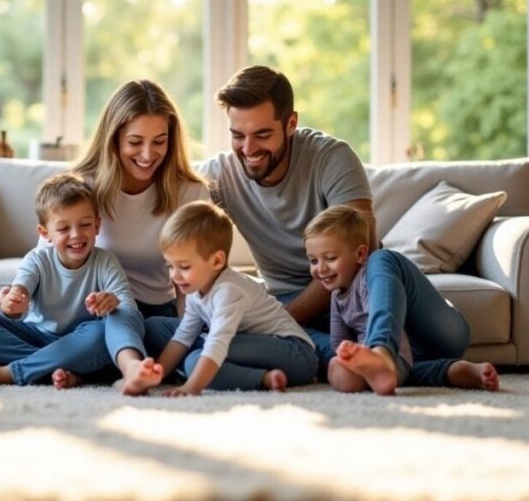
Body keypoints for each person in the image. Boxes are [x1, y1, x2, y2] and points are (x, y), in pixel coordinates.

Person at [198, 65, 375, 370]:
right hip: (283, 300)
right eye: (238, 135)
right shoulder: (219, 175)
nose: (249, 149)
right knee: (209, 338)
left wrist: (280, 321)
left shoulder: (331, 157)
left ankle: (345, 355)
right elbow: (173, 227)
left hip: (352, 291)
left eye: (262, 134)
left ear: (291, 123)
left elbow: (361, 248)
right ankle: (348, 360)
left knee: (452, 337)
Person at [68, 79, 210, 395]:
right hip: (92, 314)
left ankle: (95, 366)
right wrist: (18, 293)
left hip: (154, 317)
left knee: (164, 337)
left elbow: (195, 279)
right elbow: (50, 260)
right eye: (135, 142)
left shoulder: (191, 191)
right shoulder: (82, 185)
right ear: (113, 138)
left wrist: (186, 331)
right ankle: (114, 362)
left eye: (159, 141)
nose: (148, 154)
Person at [0, 173, 134, 389]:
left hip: (79, 342)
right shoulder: (37, 259)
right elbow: (18, 294)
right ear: (45, 233)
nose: (76, 235)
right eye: (63, 229)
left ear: (97, 225)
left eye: (85, 225)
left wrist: (112, 302)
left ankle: (9, 372)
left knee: (103, 333)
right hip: (35, 337)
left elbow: (128, 307)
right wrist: (11, 306)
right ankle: (66, 370)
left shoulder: (105, 261)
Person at [303, 204, 499, 394]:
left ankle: (382, 353)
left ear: (360, 254)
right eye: (313, 260)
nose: (320, 268)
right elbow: (339, 342)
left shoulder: (367, 278)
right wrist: (348, 359)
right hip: (408, 360)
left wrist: (374, 351)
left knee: (382, 257)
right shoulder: (337, 297)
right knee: (344, 367)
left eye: (330, 258)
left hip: (426, 337)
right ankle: (467, 371)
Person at [144, 201, 318, 395]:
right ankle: (206, 371)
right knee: (155, 328)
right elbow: (183, 336)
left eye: (184, 267)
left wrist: (191, 388)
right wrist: (154, 377)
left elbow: (217, 343)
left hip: (295, 354)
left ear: (217, 261)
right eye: (170, 265)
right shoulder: (196, 290)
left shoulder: (228, 291)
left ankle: (264, 379)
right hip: (246, 343)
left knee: (195, 362)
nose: (175, 275)